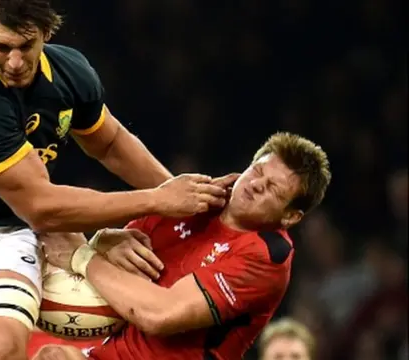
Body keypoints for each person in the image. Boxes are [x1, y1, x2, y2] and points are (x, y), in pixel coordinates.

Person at [0, 1, 233, 360]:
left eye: (25, 46)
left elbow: (110, 145)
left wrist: (186, 197)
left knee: (1, 347)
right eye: (1, 47)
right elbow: (42, 209)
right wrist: (157, 201)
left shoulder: (69, 73)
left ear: (46, 34)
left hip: (3, 233)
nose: (14, 62)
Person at [35, 132, 332, 360]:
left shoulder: (267, 256)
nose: (255, 185)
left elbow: (160, 315)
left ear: (290, 216)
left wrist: (83, 255)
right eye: (256, 172)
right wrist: (103, 241)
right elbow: (118, 280)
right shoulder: (192, 199)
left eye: (273, 189)